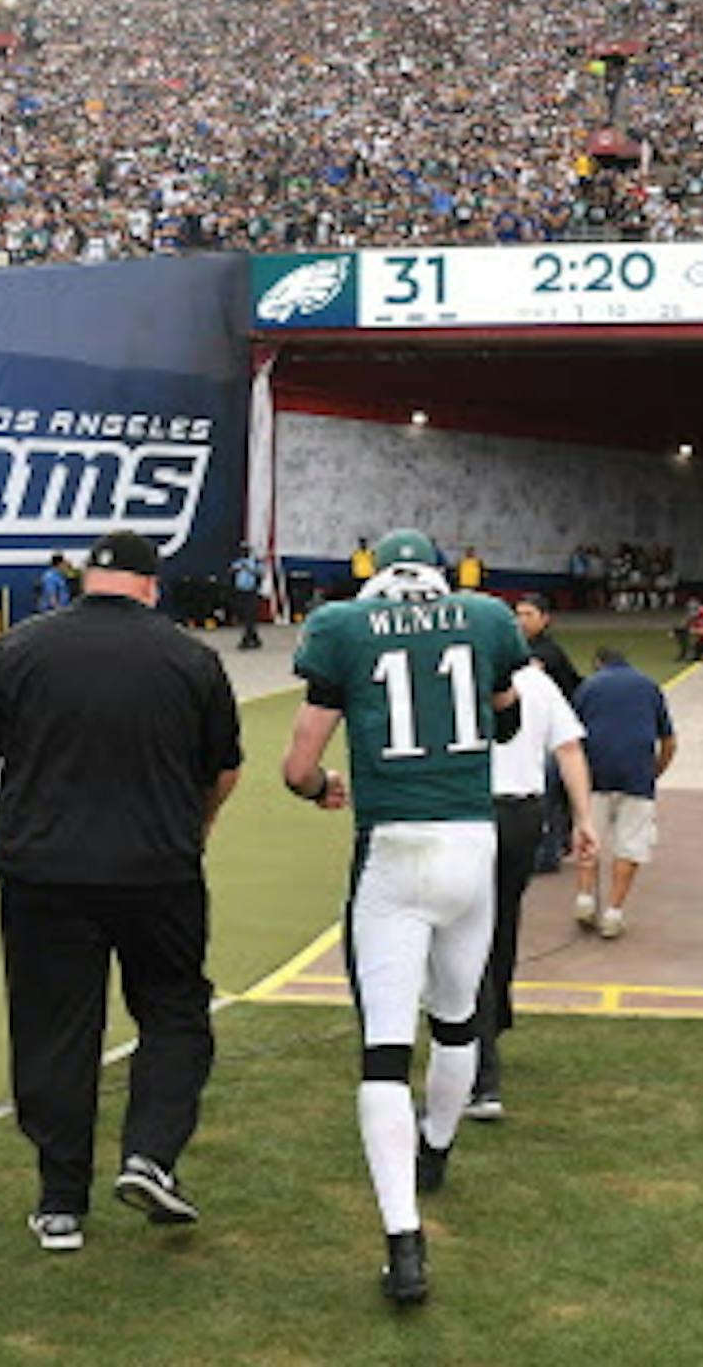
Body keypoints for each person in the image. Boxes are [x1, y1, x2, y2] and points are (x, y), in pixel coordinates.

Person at [0, 528, 243, 1254]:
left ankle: (60, 1202)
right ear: (151, 584)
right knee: (174, 1010)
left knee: (54, 1027)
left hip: (43, 870)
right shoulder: (191, 658)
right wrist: (197, 826)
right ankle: (150, 1154)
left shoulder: (18, 649)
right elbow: (224, 769)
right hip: (158, 868)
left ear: (84, 578)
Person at [279, 527, 528, 1306]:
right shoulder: (486, 615)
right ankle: (436, 1150)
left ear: (377, 573)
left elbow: (298, 764)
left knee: (386, 1053)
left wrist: (319, 787)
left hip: (392, 846)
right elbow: (508, 718)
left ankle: (404, 1243)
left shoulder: (341, 625)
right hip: (471, 843)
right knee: (456, 1020)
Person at [470, 659, 596, 1121]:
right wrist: (583, 817)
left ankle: (482, 1074)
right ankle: (495, 1018)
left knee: (469, 940)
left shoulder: (466, 672)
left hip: (475, 812)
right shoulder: (538, 683)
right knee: (503, 922)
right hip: (523, 815)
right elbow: (569, 749)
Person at [572, 647, 677, 940]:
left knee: (588, 837)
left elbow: (571, 737)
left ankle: (585, 898)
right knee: (631, 844)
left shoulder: (588, 687)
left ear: (598, 664)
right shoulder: (649, 687)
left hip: (595, 774)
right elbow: (669, 741)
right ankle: (614, 912)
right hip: (637, 775)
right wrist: (655, 772)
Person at [513, 593, 580, 873]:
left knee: (547, 793)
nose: (521, 620)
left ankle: (548, 852)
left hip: (554, 733)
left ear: (545, 619)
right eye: (518, 614)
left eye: (529, 614)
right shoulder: (519, 647)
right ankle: (555, 843)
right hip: (532, 731)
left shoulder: (546, 651)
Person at [227, 544, 265, 650]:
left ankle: (246, 640)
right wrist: (236, 569)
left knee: (250, 615)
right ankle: (255, 638)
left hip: (251, 592)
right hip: (240, 591)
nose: (243, 552)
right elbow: (231, 570)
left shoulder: (255, 562)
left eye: (245, 550)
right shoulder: (239, 562)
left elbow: (261, 573)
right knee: (244, 616)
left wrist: (249, 569)